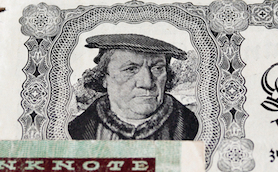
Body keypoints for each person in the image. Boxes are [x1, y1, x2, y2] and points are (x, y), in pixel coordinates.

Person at [68, 34, 199, 140]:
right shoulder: (77, 130)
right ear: (104, 78)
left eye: (157, 68)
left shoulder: (192, 126)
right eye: (130, 69)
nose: (147, 83)